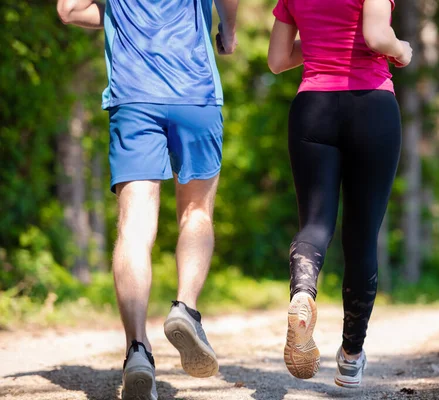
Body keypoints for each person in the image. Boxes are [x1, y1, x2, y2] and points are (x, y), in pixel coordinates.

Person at [56, 0, 238, 398]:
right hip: (196, 93)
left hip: (134, 97)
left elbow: (69, 10)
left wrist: (124, 16)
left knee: (134, 227)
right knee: (196, 212)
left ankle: (137, 349)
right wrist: (229, 27)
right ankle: (185, 308)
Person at [268, 0, 412, 388]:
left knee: (315, 224)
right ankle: (351, 357)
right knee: (362, 236)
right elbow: (377, 36)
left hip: (312, 107)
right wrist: (402, 50)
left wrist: (318, 48)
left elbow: (277, 60)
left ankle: (302, 293)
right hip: (372, 106)